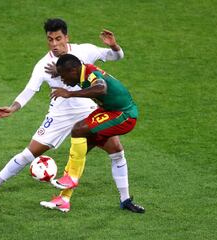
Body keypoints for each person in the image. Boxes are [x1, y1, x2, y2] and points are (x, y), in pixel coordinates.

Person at [0, 18, 137, 212]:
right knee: (29, 154)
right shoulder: (43, 64)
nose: (54, 44)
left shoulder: (84, 50)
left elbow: (116, 57)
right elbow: (29, 90)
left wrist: (115, 46)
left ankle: (125, 199)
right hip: (59, 115)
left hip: (88, 110)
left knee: (117, 151)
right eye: (50, 39)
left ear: (66, 37)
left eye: (58, 38)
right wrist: (13, 107)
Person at [40, 54, 145, 213]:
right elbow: (76, 68)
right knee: (85, 153)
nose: (63, 80)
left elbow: (101, 88)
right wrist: (59, 70)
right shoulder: (80, 71)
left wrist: (69, 94)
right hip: (109, 111)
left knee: (78, 130)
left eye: (63, 76)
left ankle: (71, 181)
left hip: (124, 115)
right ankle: (64, 200)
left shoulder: (91, 74)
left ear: (73, 70)